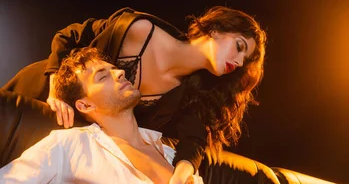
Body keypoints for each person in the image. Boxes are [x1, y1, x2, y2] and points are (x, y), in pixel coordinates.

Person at [2, 6, 267, 182]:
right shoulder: (139, 29)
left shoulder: (194, 92)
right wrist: (54, 88)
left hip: (83, 126)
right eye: (239, 46)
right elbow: (69, 36)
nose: (240, 61)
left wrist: (183, 173)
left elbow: (193, 141)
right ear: (216, 30)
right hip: (41, 94)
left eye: (245, 58)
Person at [0, 48, 204, 183]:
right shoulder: (70, 145)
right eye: (103, 76)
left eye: (115, 69)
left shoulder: (172, 154)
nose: (120, 73)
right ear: (85, 105)